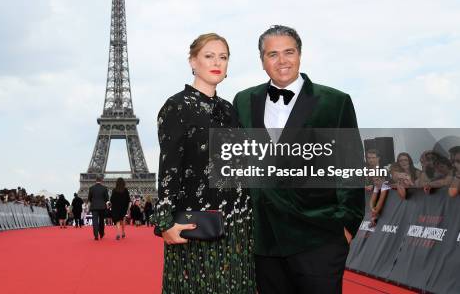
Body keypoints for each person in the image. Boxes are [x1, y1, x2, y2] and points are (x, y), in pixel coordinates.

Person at [233, 25, 364, 294]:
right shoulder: (243, 100)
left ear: (300, 55)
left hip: (319, 235)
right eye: (273, 54)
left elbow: (350, 165)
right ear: (262, 61)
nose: (282, 61)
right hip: (264, 240)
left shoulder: (335, 101)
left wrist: (346, 225)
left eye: (288, 52)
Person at [154, 33, 255, 294]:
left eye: (223, 57)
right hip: (198, 223)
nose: (217, 62)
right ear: (193, 62)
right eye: (209, 56)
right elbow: (170, 166)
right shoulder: (177, 106)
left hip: (238, 224)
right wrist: (165, 223)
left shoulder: (229, 109)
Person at [88, 176, 109, 240]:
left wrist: (94, 202)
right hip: (102, 207)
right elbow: (107, 198)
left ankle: (96, 235)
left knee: (95, 221)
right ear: (101, 181)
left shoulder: (91, 188)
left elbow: (89, 198)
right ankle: (101, 234)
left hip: (94, 207)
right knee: (101, 221)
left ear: (95, 180)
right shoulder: (104, 188)